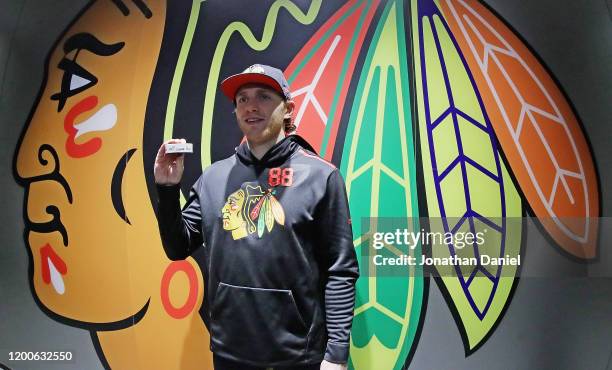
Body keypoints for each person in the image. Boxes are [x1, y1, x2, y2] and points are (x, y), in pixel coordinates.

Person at [154, 64, 359, 370]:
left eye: (264, 96)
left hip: (298, 357)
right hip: (229, 353)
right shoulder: (214, 178)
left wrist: (337, 354)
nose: (251, 106)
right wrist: (168, 189)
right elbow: (177, 247)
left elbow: (340, 271)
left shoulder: (321, 177)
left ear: (287, 109)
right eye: (242, 99)